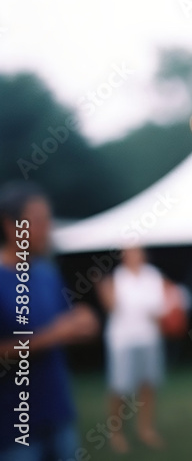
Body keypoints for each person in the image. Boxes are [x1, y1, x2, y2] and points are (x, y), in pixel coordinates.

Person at [0, 182, 99, 460]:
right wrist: (55, 334)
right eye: (38, 221)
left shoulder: (46, 273)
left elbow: (67, 324)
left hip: (59, 416)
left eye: (48, 219)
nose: (48, 228)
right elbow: (57, 331)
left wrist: (84, 322)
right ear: (11, 226)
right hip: (13, 430)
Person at [96, 246, 171, 452]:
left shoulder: (153, 275)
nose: (134, 255)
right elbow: (114, 307)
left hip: (149, 338)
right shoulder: (117, 278)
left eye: (137, 251)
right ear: (123, 255)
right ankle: (116, 433)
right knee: (119, 388)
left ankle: (145, 429)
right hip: (122, 340)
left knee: (148, 385)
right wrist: (104, 291)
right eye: (130, 251)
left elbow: (161, 307)